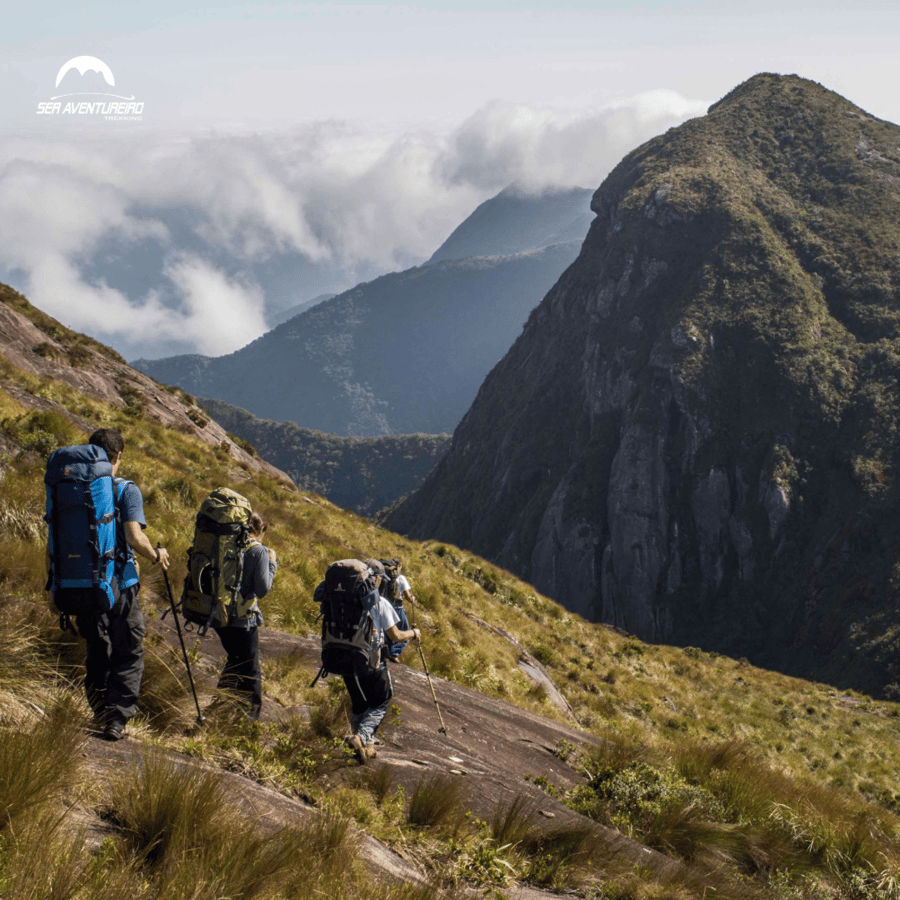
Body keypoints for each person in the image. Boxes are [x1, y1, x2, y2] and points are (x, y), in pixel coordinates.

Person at [79, 428, 170, 741]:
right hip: (119, 584)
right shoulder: (124, 489)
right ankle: (116, 719)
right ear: (117, 457)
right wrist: (157, 555)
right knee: (129, 649)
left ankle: (99, 710)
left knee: (96, 648)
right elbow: (134, 536)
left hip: (80, 582)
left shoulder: (72, 487)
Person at [345, 559, 421, 763]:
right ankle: (361, 736)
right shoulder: (380, 603)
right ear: (376, 579)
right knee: (381, 700)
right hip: (370, 660)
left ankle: (364, 744)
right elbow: (395, 635)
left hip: (344, 658)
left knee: (360, 702)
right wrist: (413, 633)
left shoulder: (345, 598)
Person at [212, 511, 277, 721]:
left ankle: (218, 706)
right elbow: (262, 589)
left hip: (219, 615)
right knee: (251, 671)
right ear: (260, 530)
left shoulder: (226, 543)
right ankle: (250, 721)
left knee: (235, 660)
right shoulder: (258, 551)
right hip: (242, 620)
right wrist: (272, 564)